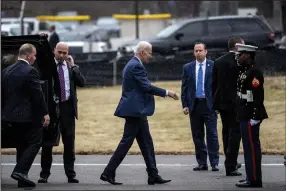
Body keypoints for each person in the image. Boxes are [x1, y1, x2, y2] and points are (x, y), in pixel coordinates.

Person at [100, 41, 179, 185]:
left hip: (137, 111)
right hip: (135, 111)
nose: (151, 56)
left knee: (146, 143)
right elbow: (146, 87)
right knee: (126, 142)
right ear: (142, 52)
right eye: (149, 53)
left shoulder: (133, 64)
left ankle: (153, 174)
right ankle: (108, 172)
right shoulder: (136, 65)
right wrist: (168, 93)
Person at [1, 43, 50, 188]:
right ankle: (20, 171)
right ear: (29, 55)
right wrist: (45, 113)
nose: (35, 58)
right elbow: (38, 95)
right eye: (34, 55)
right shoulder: (31, 71)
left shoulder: (6, 71)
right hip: (27, 117)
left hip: (8, 117)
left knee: (21, 146)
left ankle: (22, 178)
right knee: (35, 141)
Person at [38, 42, 85, 184]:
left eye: (65, 53)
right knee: (48, 142)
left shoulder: (71, 68)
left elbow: (82, 83)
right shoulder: (48, 65)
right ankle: (44, 174)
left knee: (69, 142)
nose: (62, 55)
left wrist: (74, 66)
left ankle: (70, 174)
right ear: (54, 51)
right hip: (51, 108)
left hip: (67, 108)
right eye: (60, 52)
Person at [181, 42, 219, 172]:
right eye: (196, 51)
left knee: (212, 134)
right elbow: (184, 87)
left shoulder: (213, 66)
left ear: (206, 51)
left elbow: (217, 86)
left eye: (200, 50)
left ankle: (214, 162)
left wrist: (218, 104)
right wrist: (185, 104)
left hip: (210, 105)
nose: (198, 53)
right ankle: (202, 163)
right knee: (197, 135)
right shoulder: (188, 67)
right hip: (195, 105)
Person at [234, 43, 268, 188]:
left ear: (247, 55)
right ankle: (250, 176)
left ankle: (254, 179)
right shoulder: (245, 70)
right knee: (248, 147)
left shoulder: (255, 73)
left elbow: (258, 96)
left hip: (250, 115)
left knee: (252, 148)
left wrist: (255, 116)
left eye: (240, 55)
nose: (238, 57)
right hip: (244, 113)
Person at [212, 37, 245, 176]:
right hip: (235, 103)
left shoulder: (218, 61)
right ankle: (230, 164)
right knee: (235, 134)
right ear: (237, 47)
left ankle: (229, 159)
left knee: (226, 132)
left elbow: (214, 84)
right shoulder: (239, 62)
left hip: (221, 102)